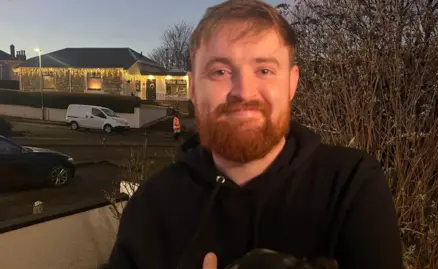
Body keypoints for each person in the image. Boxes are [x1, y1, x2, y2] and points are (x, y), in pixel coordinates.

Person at [108, 1, 404, 269]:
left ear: (291, 84)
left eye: (264, 70)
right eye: (220, 72)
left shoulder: (350, 185)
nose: (243, 91)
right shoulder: (152, 205)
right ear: (193, 89)